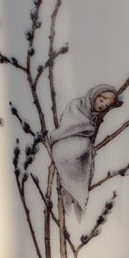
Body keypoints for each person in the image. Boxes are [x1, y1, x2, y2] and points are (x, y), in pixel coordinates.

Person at [49, 85, 121, 219]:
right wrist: (89, 129)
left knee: (86, 160)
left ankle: (74, 196)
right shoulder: (77, 105)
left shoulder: (93, 114)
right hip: (65, 143)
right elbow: (71, 126)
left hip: (80, 147)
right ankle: (73, 194)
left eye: (107, 105)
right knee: (83, 149)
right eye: (102, 100)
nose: (103, 105)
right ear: (94, 95)